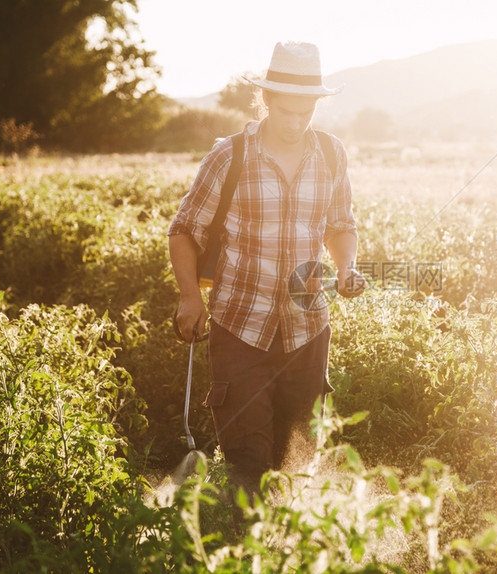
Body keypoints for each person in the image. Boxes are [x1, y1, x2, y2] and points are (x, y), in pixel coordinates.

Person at [168, 42, 366, 495]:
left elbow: (340, 225)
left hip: (308, 331)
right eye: (286, 112)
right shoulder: (230, 156)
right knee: (248, 466)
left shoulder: (332, 155)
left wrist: (348, 265)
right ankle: (240, 555)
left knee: (297, 465)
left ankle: (289, 556)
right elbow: (184, 230)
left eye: (306, 112)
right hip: (241, 331)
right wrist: (190, 296)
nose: (296, 123)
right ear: (266, 101)